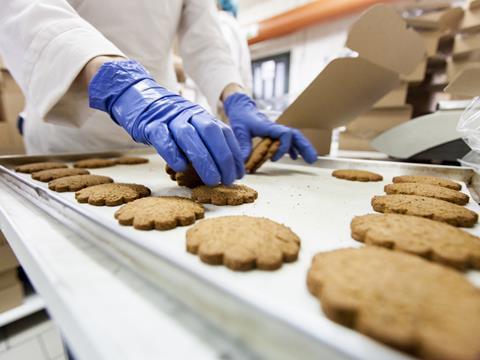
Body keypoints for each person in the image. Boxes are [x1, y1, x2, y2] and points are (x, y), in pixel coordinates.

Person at [0, 0, 317, 186]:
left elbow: (203, 38)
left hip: (161, 136)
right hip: (70, 133)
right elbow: (26, 9)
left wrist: (235, 96)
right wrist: (115, 79)